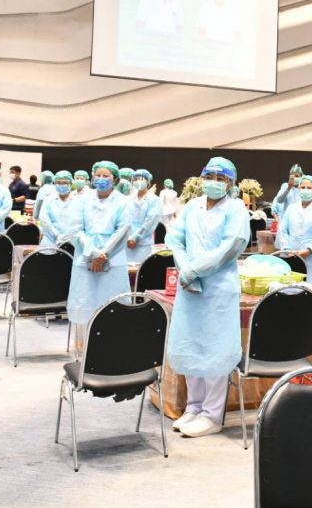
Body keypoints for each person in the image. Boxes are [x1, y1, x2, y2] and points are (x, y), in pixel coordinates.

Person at [166, 157, 250, 438]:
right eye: (209, 176)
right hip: (190, 287)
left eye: (221, 178)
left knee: (215, 349)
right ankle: (194, 406)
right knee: (191, 344)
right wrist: (186, 270)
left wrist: (194, 270)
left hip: (218, 289)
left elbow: (231, 247)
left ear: (230, 183)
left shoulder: (236, 209)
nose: (214, 182)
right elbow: (175, 239)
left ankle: (212, 415)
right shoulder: (192, 206)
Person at [66, 161, 131, 332]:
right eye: (98, 175)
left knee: (112, 304)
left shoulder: (123, 202)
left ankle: (111, 342)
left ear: (115, 179)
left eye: (106, 176)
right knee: (84, 304)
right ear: (93, 177)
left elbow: (122, 231)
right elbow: (75, 229)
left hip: (113, 258)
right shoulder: (82, 200)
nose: (101, 179)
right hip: (85, 256)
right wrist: (93, 252)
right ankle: (83, 344)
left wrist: (103, 255)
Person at [276, 174, 312, 285]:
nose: (305, 190)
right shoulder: (291, 208)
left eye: (309, 188)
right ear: (298, 189)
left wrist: (309, 250)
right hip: (291, 256)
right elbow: (282, 231)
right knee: (291, 289)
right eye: (303, 187)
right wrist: (286, 249)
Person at [125, 169, 162, 264]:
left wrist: (135, 237)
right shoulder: (129, 199)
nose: (138, 181)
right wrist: (128, 237)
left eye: (141, 179)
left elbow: (150, 221)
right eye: (135, 179)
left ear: (147, 181)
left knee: (140, 268)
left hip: (143, 242)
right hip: (127, 241)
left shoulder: (154, 200)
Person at [38, 171, 77, 249]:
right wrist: (56, 234)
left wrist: (66, 236)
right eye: (58, 182)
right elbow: (44, 220)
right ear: (54, 183)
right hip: (50, 241)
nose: (61, 185)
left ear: (70, 183)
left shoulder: (77, 201)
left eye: (64, 182)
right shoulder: (48, 200)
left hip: (71, 241)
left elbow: (78, 223)